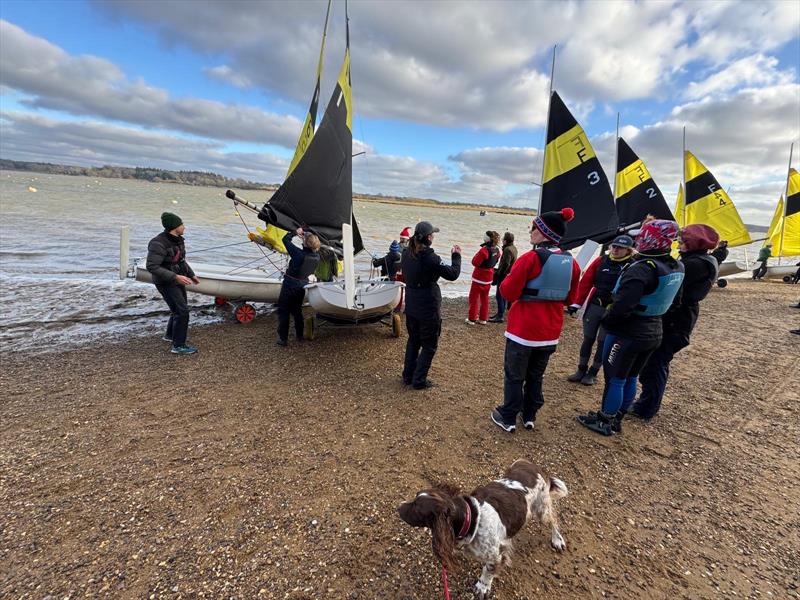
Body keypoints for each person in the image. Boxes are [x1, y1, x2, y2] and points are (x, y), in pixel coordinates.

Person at [577, 219, 684, 436]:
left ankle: (606, 420)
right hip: (653, 330)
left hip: (627, 333)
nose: (639, 239)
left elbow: (622, 306)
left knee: (615, 377)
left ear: (650, 238)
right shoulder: (675, 265)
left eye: (642, 235)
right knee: (631, 376)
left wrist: (607, 321)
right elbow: (677, 302)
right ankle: (617, 416)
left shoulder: (642, 269)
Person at [490, 208, 581, 433]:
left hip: (523, 330)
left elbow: (508, 292)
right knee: (536, 375)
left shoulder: (531, 257)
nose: (530, 232)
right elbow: (571, 298)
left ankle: (508, 417)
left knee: (514, 375)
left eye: (533, 228)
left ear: (543, 233)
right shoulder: (572, 262)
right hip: (550, 332)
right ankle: (529, 414)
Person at [628, 224, 721, 420]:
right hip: (678, 318)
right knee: (655, 362)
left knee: (655, 363)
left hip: (675, 322)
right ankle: (647, 403)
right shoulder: (702, 260)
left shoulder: (696, 264)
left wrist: (641, 257)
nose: (679, 243)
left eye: (684, 240)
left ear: (695, 242)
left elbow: (665, 273)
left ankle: (646, 407)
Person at [565, 234, 635, 386]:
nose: (616, 250)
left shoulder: (633, 265)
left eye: (620, 248)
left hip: (612, 310)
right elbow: (585, 282)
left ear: (628, 250)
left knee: (603, 343)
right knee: (588, 339)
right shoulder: (600, 260)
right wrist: (576, 303)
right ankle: (581, 370)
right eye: (614, 246)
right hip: (595, 306)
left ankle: (593, 373)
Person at [401, 221, 461, 389]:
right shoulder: (429, 257)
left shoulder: (406, 253)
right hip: (427, 306)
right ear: (428, 237)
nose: (434, 236)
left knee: (414, 340)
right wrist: (456, 256)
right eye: (433, 234)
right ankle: (418, 381)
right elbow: (453, 274)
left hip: (412, 303)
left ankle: (408, 376)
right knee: (429, 345)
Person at [146, 212, 200, 354]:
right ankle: (178, 346)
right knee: (183, 312)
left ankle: (170, 336)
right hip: (165, 281)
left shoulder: (178, 240)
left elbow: (181, 260)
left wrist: (191, 275)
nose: (184, 227)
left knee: (178, 309)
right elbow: (152, 267)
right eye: (182, 225)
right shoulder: (157, 243)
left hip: (177, 277)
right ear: (174, 227)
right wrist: (175, 277)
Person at [276, 228, 320, 347]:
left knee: (284, 310)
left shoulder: (298, 254)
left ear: (305, 243)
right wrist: (305, 235)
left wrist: (295, 232)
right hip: (302, 285)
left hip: (290, 284)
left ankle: (283, 339)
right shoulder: (317, 257)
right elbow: (312, 245)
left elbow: (285, 239)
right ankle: (299, 335)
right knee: (297, 311)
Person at [466, 231, 501, 325]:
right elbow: (496, 260)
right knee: (485, 298)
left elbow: (475, 262)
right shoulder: (497, 250)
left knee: (474, 298)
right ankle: (483, 318)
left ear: (486, 239)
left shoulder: (484, 250)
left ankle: (472, 318)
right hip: (489, 277)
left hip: (479, 277)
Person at [488, 232, 518, 323]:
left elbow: (506, 264)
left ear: (505, 241)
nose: (502, 241)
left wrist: (498, 274)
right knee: (503, 295)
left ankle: (500, 315)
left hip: (504, 275)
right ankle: (499, 314)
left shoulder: (507, 250)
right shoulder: (514, 248)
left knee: (499, 295)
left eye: (503, 239)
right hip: (509, 274)